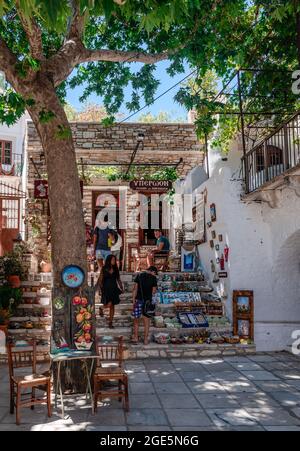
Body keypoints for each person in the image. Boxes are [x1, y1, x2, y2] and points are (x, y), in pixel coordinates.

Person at [131, 266, 158, 345]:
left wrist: (133, 301)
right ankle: (145, 339)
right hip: (147, 303)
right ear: (152, 271)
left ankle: (136, 337)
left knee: (136, 320)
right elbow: (153, 291)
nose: (155, 274)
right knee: (147, 322)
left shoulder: (139, 276)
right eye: (155, 273)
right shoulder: (153, 278)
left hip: (138, 301)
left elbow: (135, 289)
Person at [98, 254, 124, 329]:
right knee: (109, 304)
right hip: (106, 288)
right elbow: (100, 279)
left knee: (112, 306)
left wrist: (121, 287)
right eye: (112, 260)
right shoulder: (104, 268)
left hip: (114, 288)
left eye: (114, 260)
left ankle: (110, 322)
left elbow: (118, 279)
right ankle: (101, 308)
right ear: (109, 260)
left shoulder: (116, 269)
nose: (114, 261)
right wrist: (100, 289)